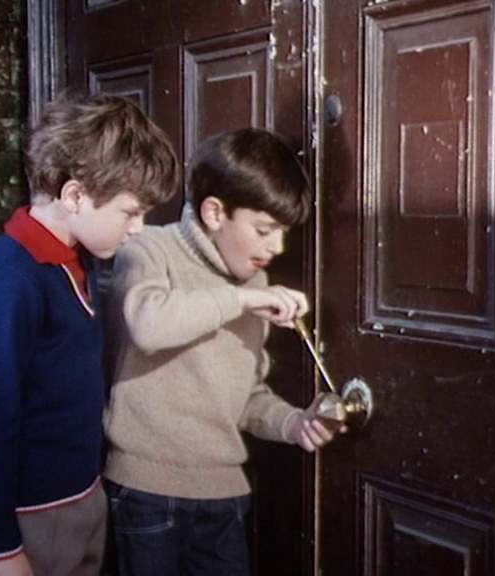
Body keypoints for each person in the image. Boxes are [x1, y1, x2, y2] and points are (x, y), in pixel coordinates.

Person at [0, 92, 179, 576]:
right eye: (130, 212)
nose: (138, 229)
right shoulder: (11, 280)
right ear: (75, 195)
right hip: (24, 518)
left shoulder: (75, 258)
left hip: (76, 498)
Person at [102, 128, 343, 576]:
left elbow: (245, 396)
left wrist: (294, 424)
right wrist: (240, 300)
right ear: (215, 212)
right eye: (264, 230)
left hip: (224, 498)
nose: (277, 247)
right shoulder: (149, 250)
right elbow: (148, 325)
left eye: (282, 233)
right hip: (147, 494)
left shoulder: (254, 285)